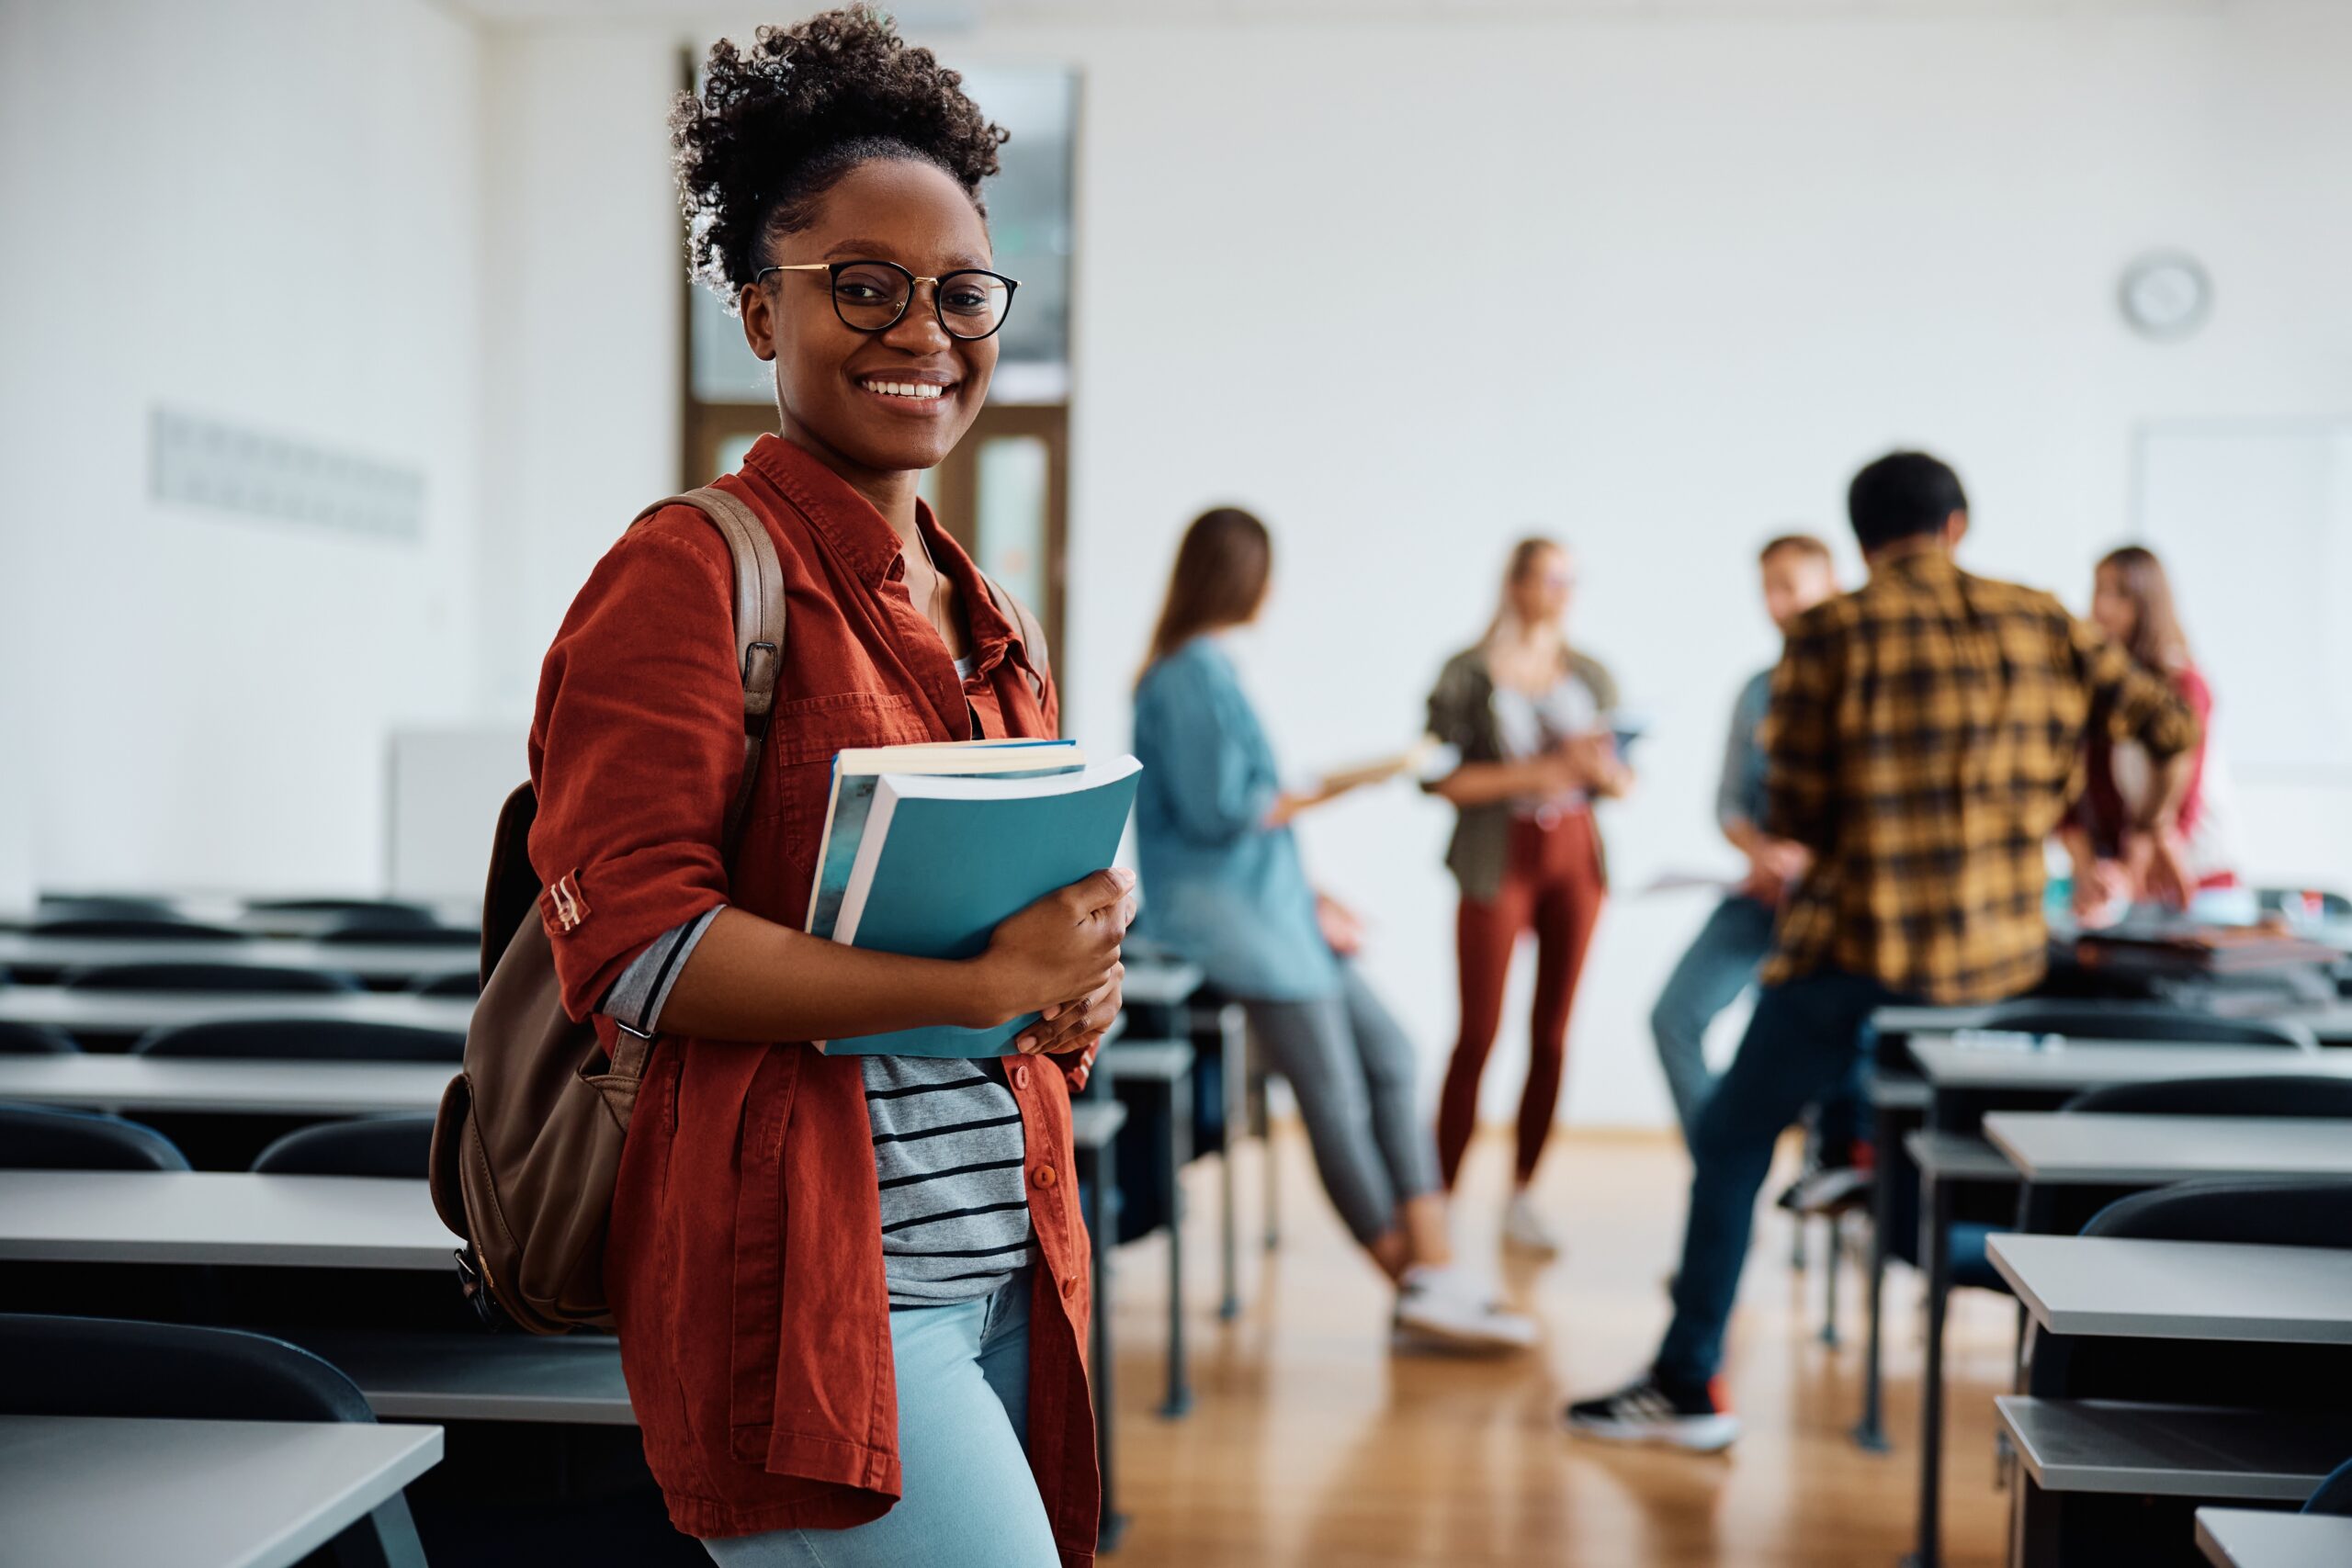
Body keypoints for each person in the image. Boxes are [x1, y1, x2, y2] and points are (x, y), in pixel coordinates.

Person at [529, 15, 1126, 1563]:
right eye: (861, 285)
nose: (920, 328)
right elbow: (639, 952)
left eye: (958, 291)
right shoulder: (689, 572)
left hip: (1003, 1257)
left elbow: (1003, 940)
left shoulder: (989, 608)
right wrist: (980, 975)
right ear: (755, 313)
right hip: (815, 1288)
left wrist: (1068, 983)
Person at [1566, 451, 2199, 1450]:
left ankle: (1690, 1380)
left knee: (1731, 1142)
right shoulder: (2041, 618)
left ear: (1860, 541)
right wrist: (2150, 828)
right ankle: (1867, 1152)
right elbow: (2170, 720)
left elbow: (1797, 810)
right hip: (1997, 962)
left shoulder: (1824, 636)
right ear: (1957, 526)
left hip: (1857, 952)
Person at [1132, 506, 1534, 1351]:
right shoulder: (1188, 675)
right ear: (1251, 581)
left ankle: (1436, 1269)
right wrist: (1338, 786)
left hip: (1272, 909)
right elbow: (1225, 812)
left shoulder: (1209, 671)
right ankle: (1411, 1283)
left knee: (1391, 1052)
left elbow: (1245, 820)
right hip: (1231, 925)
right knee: (1335, 1097)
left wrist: (1314, 892)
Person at [1425, 537, 1631, 1256]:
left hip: (1574, 854)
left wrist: (1597, 770)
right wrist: (1541, 770)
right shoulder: (1466, 673)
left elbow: (1623, 780)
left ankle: (1522, 1193)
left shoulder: (1592, 673)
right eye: (1547, 577)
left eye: (1570, 578)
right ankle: (1440, 1196)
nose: (1561, 592)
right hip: (1496, 855)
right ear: (1513, 584)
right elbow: (1441, 779)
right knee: (1477, 1034)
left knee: (1552, 1034)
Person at [1647, 535, 1839, 1139]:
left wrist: (1808, 860)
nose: (1774, 602)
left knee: (1812, 1049)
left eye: (1788, 584)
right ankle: (1717, 1158)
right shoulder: (1757, 690)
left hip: (1833, 908)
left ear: (1829, 585)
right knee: (1673, 1017)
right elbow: (1729, 803)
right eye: (1766, 588)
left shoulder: (1862, 685)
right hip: (1760, 895)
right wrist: (1762, 853)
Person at [2061, 544, 2242, 921]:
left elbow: (2185, 796)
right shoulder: (2097, 689)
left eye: (2120, 594)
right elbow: (2077, 788)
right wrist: (2096, 868)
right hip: (2126, 886)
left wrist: (2133, 864)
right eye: (2099, 591)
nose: (2103, 608)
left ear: (2148, 602)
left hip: (2192, 883)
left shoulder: (2183, 686)